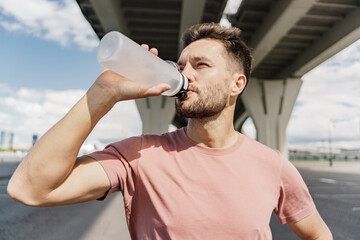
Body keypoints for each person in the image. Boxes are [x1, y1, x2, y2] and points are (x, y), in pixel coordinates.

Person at [8, 23, 332, 239]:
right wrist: (102, 93)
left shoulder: (272, 164)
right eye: (180, 66)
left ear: (237, 84)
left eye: (200, 65)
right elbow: (30, 190)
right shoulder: (138, 155)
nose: (185, 74)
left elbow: (318, 234)